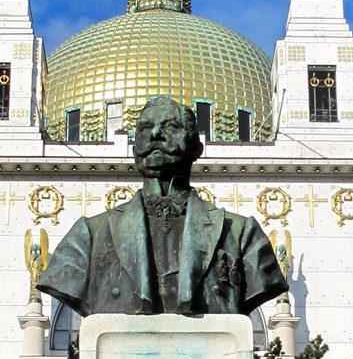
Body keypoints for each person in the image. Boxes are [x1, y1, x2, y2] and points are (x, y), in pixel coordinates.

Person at [38, 96, 286, 317]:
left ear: (196, 149)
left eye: (171, 126)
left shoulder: (242, 234)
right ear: (135, 151)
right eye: (145, 128)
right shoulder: (88, 236)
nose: (156, 134)